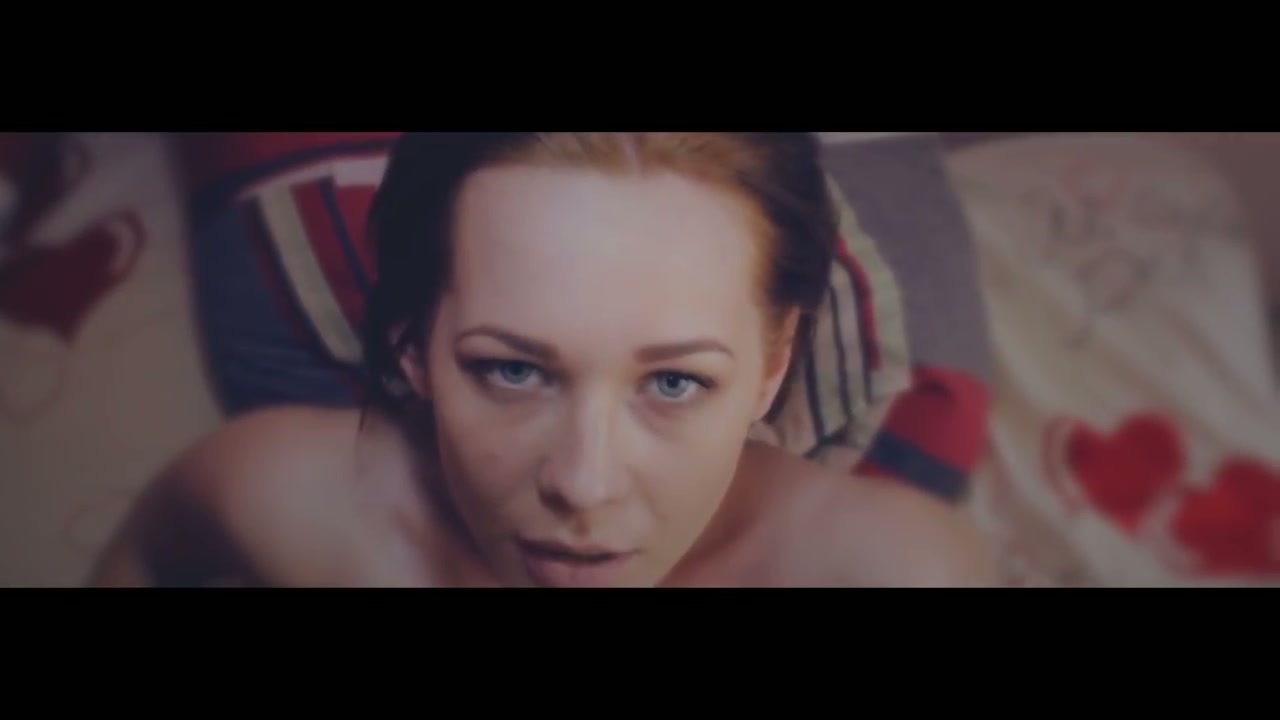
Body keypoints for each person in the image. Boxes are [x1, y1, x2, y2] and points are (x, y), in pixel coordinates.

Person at [88, 132, 994, 587]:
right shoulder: (273, 496)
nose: (584, 486)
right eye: (513, 371)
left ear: (771, 368)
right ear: (411, 344)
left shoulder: (893, 570)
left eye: (675, 381)